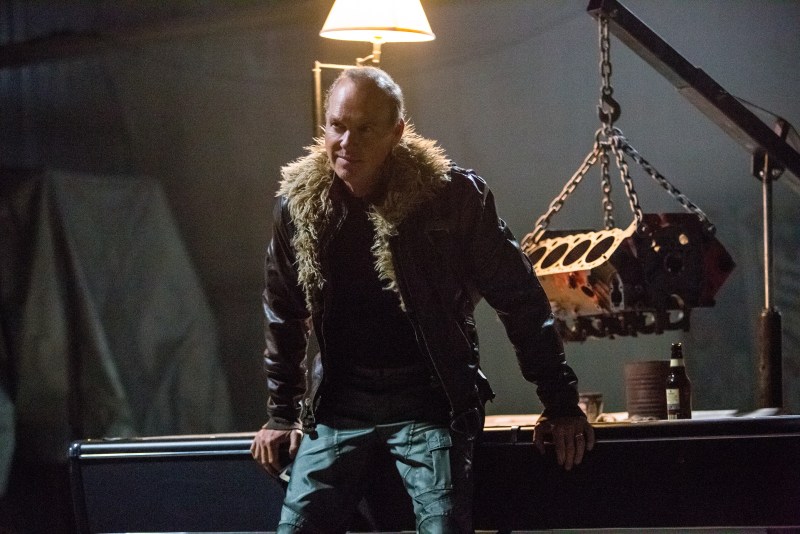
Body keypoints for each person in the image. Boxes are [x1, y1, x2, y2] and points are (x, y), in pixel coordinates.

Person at [250, 66, 595, 533]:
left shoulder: (451, 197)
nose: (347, 142)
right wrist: (281, 413)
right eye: (337, 126)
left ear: (396, 132)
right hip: (338, 408)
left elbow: (520, 299)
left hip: (429, 404)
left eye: (365, 129)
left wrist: (559, 402)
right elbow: (283, 311)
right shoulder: (299, 207)